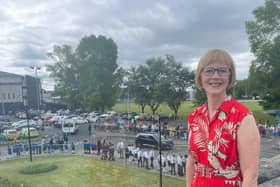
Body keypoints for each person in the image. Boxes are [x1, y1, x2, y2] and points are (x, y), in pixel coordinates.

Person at [186, 49, 260, 187]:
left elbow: (251, 175)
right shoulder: (194, 117)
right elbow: (192, 160)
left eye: (222, 70)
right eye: (209, 71)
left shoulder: (243, 118)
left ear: (230, 77)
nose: (215, 76)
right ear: (200, 77)